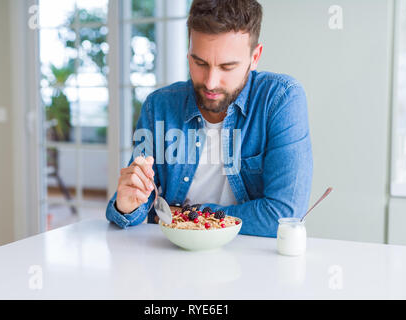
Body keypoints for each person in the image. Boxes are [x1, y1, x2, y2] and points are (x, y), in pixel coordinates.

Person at [106, 0, 313, 237]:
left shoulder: (281, 100)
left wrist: (185, 215)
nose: (211, 82)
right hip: (173, 257)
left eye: (227, 67)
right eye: (200, 63)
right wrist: (126, 205)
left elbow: (284, 216)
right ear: (189, 51)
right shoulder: (159, 106)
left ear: (255, 57)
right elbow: (139, 205)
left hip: (254, 263)